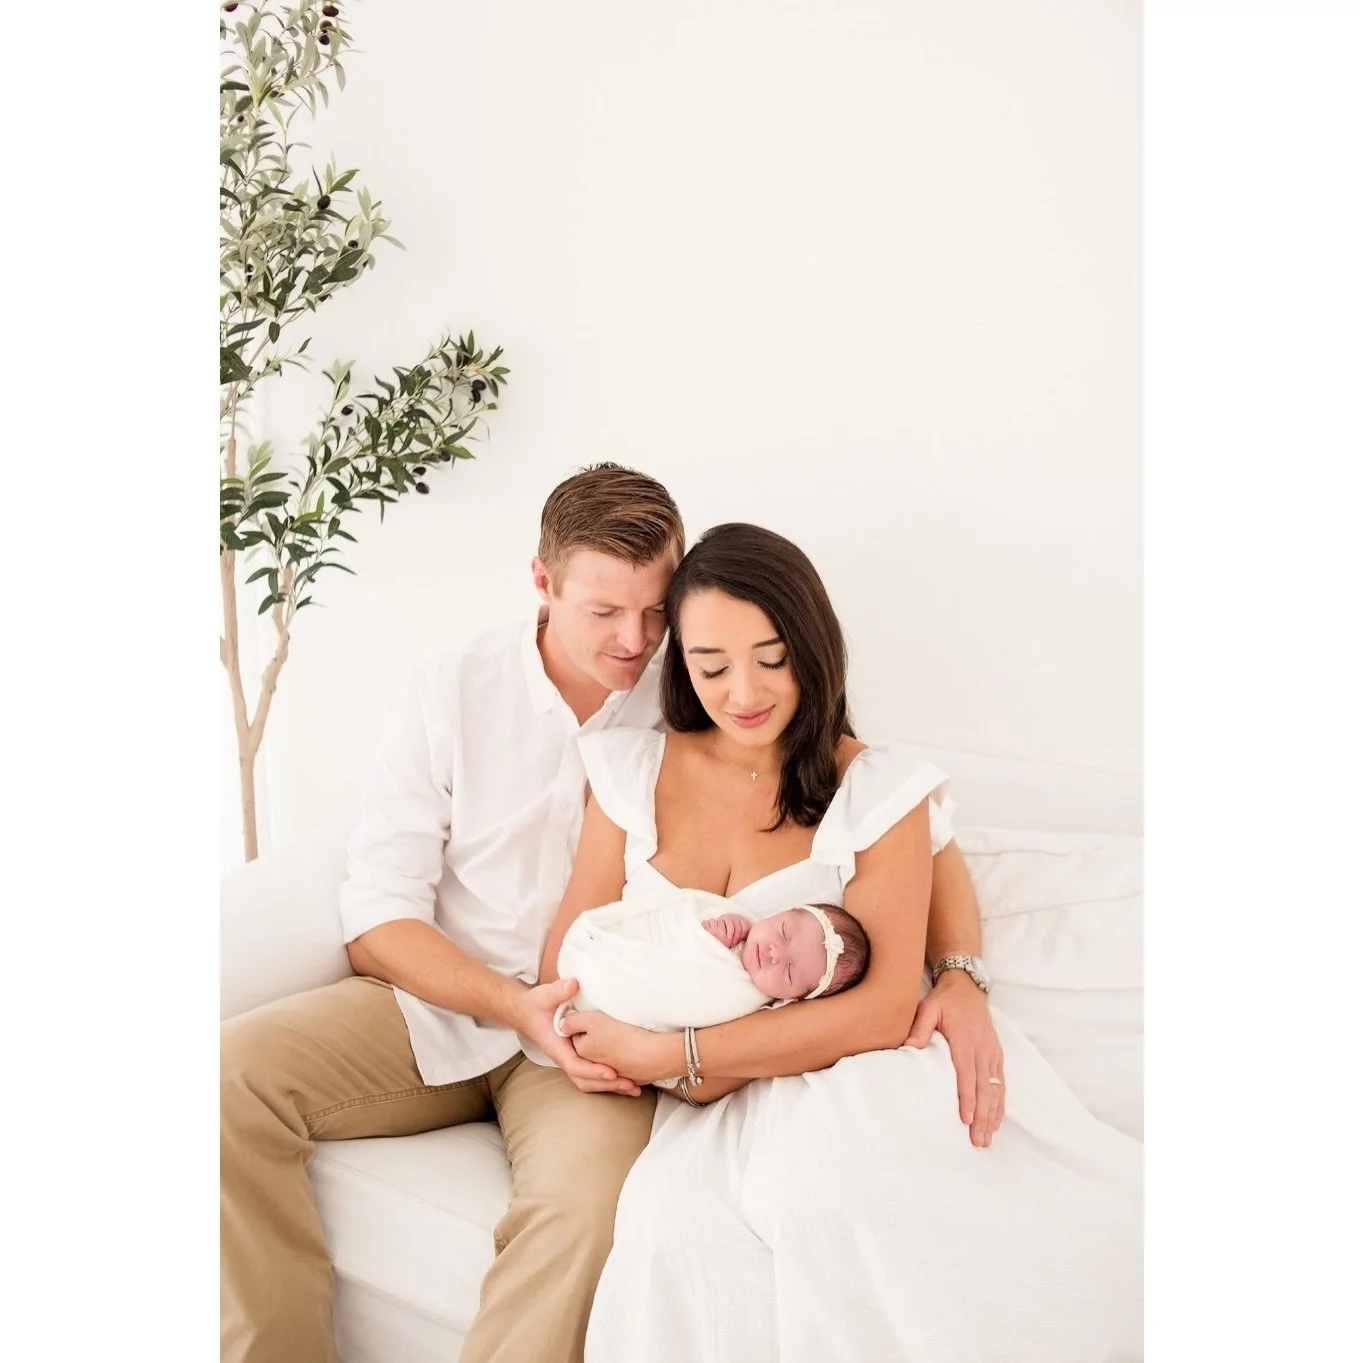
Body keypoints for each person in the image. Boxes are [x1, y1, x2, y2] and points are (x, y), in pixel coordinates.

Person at [220, 467, 1005, 1363]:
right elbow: (376, 913)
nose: (634, 641)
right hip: (448, 1001)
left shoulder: (709, 677)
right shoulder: (455, 690)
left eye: (654, 613)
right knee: (219, 1082)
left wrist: (961, 972)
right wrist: (514, 1004)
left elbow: (912, 821)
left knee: (585, 1217)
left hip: (600, 1041)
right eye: (604, 613)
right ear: (544, 584)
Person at [545, 522, 1143, 1363]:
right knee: (670, 1239)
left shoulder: (874, 785)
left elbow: (886, 1004)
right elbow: (564, 958)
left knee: (831, 1203)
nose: (744, 691)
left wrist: (671, 1050)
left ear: (814, 648)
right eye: (711, 666)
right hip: (705, 1105)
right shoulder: (629, 773)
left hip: (846, 1078)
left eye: (772, 657)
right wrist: (634, 1046)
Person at [546, 889, 870, 1039]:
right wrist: (709, 932)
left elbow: (692, 1001)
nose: (774, 953)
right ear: (782, 911)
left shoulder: (748, 1004)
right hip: (606, 960)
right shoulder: (736, 921)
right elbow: (679, 919)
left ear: (792, 999)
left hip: (627, 1010)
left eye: (788, 972)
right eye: (784, 932)